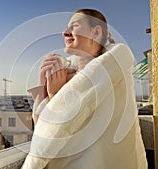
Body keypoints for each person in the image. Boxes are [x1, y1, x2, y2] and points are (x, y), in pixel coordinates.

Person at [22, 9, 147, 169]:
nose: (65, 33)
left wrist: (54, 95)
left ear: (96, 32)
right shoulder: (64, 76)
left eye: (74, 26)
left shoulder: (113, 65)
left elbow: (62, 122)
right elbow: (44, 130)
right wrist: (43, 87)